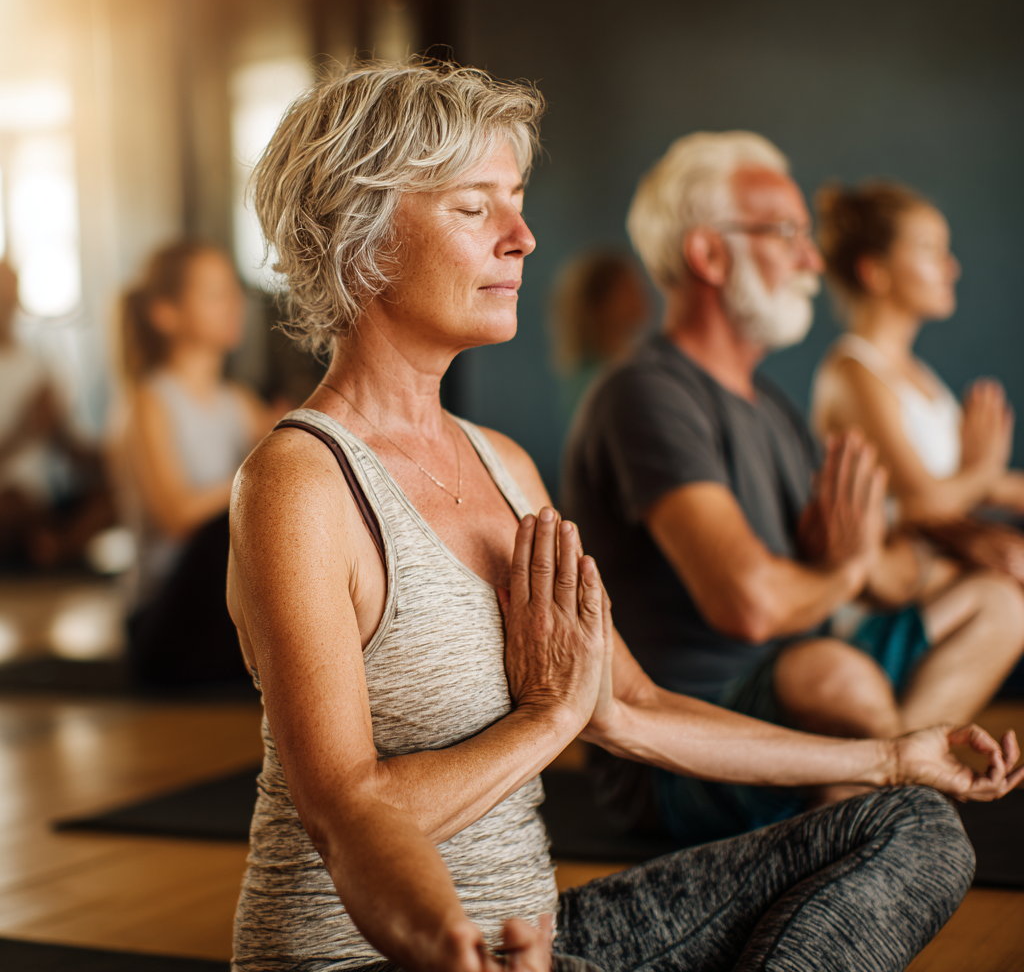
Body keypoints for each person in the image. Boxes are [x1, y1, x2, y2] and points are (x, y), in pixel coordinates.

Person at [227, 62, 1021, 972]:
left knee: (911, 826)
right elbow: (345, 812)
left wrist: (893, 756)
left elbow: (631, 707)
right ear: (360, 236)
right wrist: (541, 724)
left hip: (540, 940)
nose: (523, 238)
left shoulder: (505, 465)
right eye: (474, 207)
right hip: (381, 957)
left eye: (516, 202)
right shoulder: (300, 483)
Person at [562, 131, 1024, 844]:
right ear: (709, 254)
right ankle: (889, 812)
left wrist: (950, 554)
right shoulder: (645, 396)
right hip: (685, 746)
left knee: (999, 604)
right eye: (786, 234)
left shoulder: (774, 408)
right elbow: (748, 603)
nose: (811, 260)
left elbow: (883, 577)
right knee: (832, 675)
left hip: (807, 690)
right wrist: (841, 571)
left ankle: (880, 795)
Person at [811, 181, 1024, 581]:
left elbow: (961, 485)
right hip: (890, 587)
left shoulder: (918, 374)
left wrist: (985, 478)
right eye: (930, 252)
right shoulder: (853, 372)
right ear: (874, 272)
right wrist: (982, 475)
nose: (951, 268)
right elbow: (925, 502)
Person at [113, 241, 279, 686]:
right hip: (165, 616)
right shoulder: (149, 401)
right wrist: (259, 465)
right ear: (165, 313)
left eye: (233, 291)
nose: (234, 305)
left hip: (221, 605)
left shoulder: (239, 402)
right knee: (219, 535)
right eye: (213, 294)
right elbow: (176, 516)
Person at [0, 259, 113, 568]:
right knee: (13, 502)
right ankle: (48, 544)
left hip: (47, 492)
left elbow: (65, 444)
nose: (8, 303)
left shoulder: (39, 361)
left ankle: (52, 545)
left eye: (11, 294)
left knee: (115, 490)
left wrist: (114, 457)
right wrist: (26, 427)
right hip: (8, 496)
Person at [549, 251, 651, 418]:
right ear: (601, 304)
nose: (641, 296)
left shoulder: (633, 362)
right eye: (629, 289)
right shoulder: (596, 381)